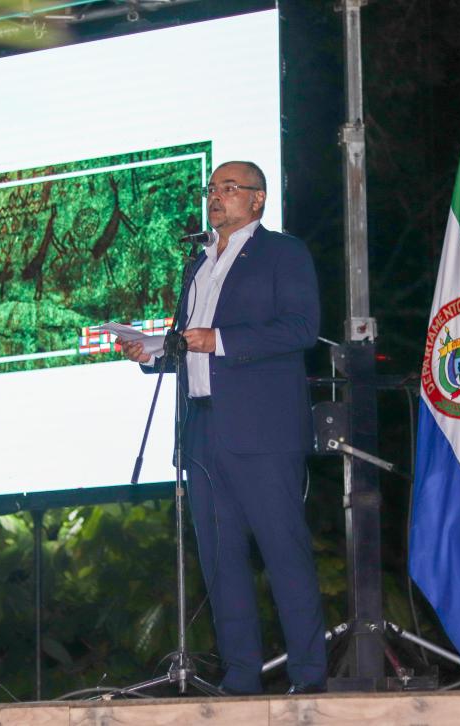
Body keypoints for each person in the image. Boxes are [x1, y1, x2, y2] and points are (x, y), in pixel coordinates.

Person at [123, 161, 326, 695]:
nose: (216, 197)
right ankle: (241, 680)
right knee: (219, 562)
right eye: (212, 188)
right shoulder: (198, 265)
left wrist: (221, 340)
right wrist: (151, 351)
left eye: (229, 188)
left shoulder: (284, 253)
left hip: (261, 430)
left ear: (257, 200)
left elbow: (302, 328)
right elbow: (187, 342)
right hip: (202, 430)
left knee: (283, 552)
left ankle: (308, 676)